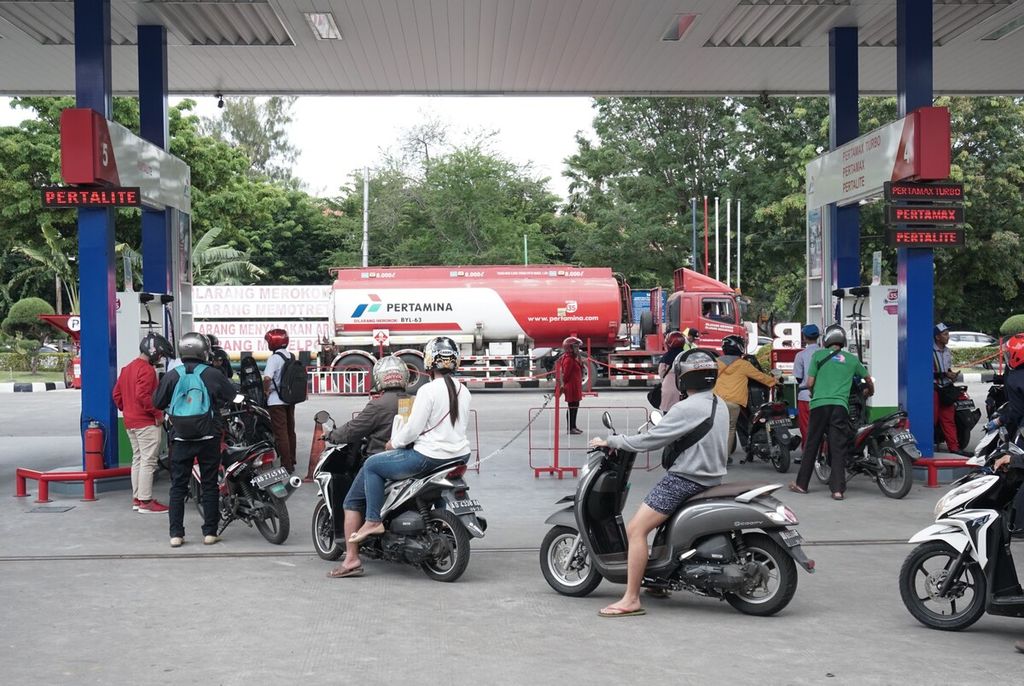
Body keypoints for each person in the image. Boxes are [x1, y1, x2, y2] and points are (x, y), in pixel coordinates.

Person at [588, 350, 729, 617]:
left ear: (683, 378)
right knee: (658, 527)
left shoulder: (685, 408)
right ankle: (658, 583)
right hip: (712, 478)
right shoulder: (718, 404)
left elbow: (651, 440)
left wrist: (612, 441)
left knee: (636, 530)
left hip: (685, 480)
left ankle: (631, 598)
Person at [329, 336, 471, 578]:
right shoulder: (463, 390)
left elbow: (413, 429)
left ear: (428, 361)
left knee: (373, 465)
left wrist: (394, 442)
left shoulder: (427, 390)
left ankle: (372, 521)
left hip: (429, 457)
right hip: (459, 457)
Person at [153, 332, 236, 547]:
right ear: (203, 351)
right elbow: (231, 395)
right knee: (209, 484)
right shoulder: (212, 373)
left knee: (178, 487)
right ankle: (210, 532)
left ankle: (176, 535)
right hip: (208, 436)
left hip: (180, 438)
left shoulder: (172, 375)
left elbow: (157, 402)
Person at [789, 325, 874, 500]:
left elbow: (810, 382)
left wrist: (814, 393)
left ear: (827, 340)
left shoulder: (818, 356)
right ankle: (837, 490)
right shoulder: (851, 359)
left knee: (812, 444)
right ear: (842, 341)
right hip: (839, 407)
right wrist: (869, 391)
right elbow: (867, 379)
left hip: (819, 405)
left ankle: (801, 485)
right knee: (838, 447)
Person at [113, 332, 174, 514]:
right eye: (161, 354)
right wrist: (157, 414)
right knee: (148, 461)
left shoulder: (127, 368)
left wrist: (128, 409)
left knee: (138, 459)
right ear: (154, 351)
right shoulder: (147, 370)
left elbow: (116, 395)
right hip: (145, 423)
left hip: (130, 422)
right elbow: (143, 396)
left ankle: (138, 498)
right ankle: (146, 502)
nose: (161, 358)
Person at [327, 355, 408, 456]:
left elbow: (353, 430)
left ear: (379, 377)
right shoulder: (416, 401)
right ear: (405, 376)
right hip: (411, 457)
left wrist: (330, 435)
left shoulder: (377, 405)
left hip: (381, 456)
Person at [713, 334, 777, 457]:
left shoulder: (715, 363)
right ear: (740, 348)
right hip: (733, 403)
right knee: (730, 429)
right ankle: (723, 459)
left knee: (716, 430)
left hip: (716, 402)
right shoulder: (743, 364)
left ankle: (714, 456)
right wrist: (775, 381)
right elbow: (761, 377)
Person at [263, 328, 298, 473]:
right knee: (290, 431)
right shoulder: (291, 356)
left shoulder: (274, 358)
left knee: (281, 433)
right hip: (289, 400)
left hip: (276, 401)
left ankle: (286, 466)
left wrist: (266, 391)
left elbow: (267, 378)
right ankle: (292, 459)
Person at [934, 323, 971, 456]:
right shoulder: (929, 352)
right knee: (932, 419)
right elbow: (925, 372)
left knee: (949, 420)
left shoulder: (947, 351)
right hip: (934, 390)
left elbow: (947, 369)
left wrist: (952, 375)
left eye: (947, 334)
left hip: (946, 389)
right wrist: (945, 374)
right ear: (937, 337)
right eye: (945, 334)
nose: (948, 336)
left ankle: (954, 448)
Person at [792, 324, 821, 458]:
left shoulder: (801, 355)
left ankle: (808, 455)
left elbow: (798, 377)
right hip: (822, 396)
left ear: (804, 337)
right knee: (821, 426)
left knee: (806, 428)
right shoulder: (825, 353)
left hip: (805, 396)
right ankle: (822, 453)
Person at [555, 336, 585, 435]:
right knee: (572, 407)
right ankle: (570, 428)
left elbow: (581, 368)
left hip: (575, 386)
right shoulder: (568, 359)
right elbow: (566, 375)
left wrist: (579, 356)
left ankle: (574, 426)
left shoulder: (573, 358)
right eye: (576, 347)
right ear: (570, 348)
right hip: (571, 386)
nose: (578, 349)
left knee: (575, 406)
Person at [657, 331, 687, 413]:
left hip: (669, 393)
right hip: (686, 392)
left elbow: (662, 373)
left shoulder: (666, 357)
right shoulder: (687, 356)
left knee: (668, 418)